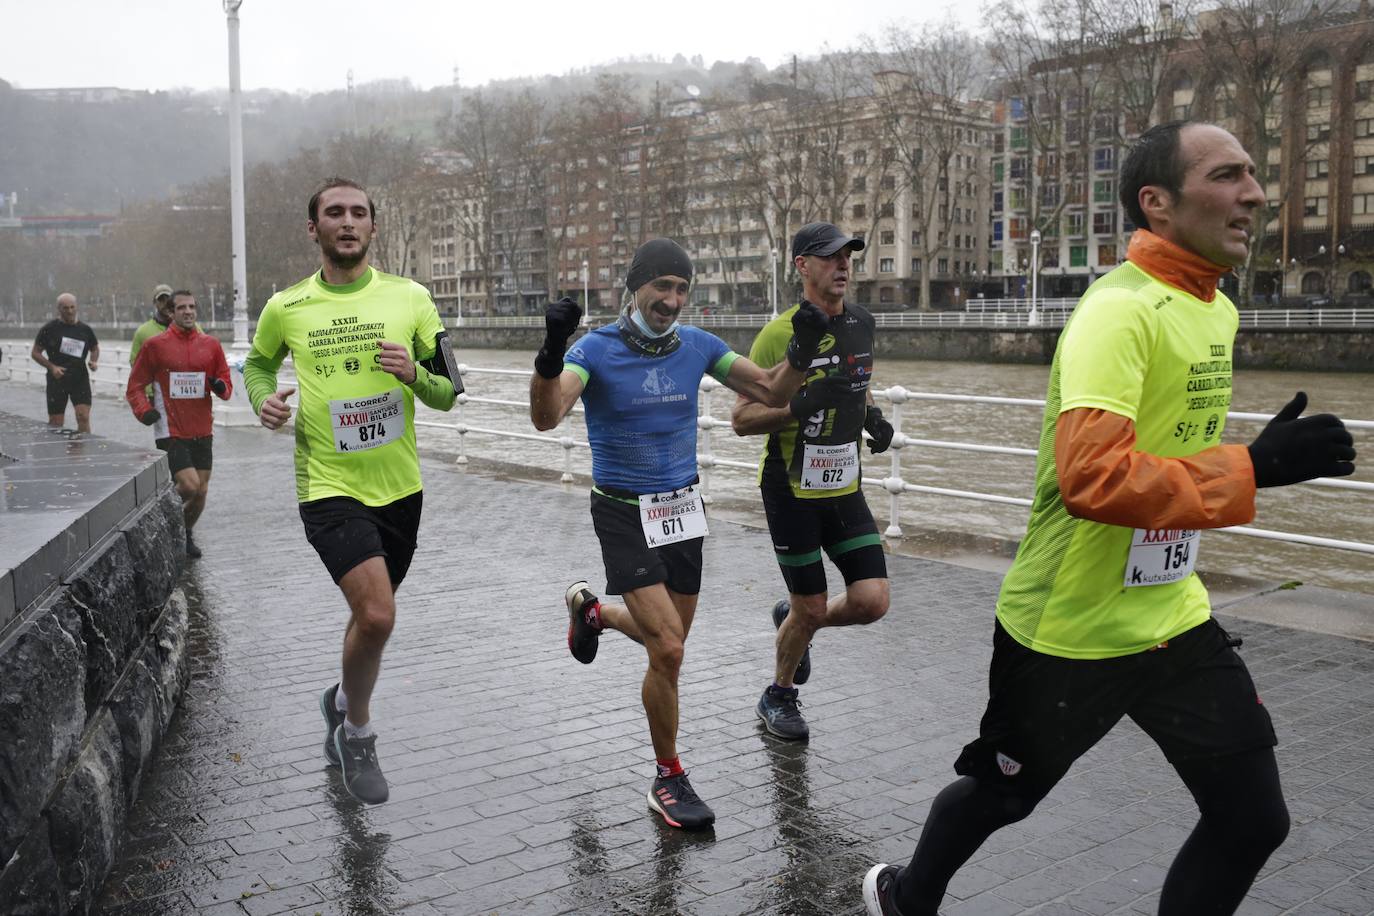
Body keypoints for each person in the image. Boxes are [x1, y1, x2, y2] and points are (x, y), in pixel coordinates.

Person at [862, 122, 1357, 915]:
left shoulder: (1214, 308)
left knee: (1252, 819)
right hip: (1068, 628)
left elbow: (1163, 447)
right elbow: (1093, 476)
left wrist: (1246, 454)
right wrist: (1254, 467)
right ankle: (907, 894)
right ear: (1157, 203)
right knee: (1002, 796)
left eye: (1253, 175)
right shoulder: (1117, 311)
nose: (1256, 194)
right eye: (1228, 176)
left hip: (1170, 616)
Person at [529, 237, 828, 829]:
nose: (671, 299)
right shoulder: (596, 348)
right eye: (660, 286)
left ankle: (591, 613)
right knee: (667, 649)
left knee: (667, 644)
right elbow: (546, 416)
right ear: (635, 287)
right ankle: (668, 777)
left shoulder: (697, 346)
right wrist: (549, 352)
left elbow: (770, 388)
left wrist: (800, 348)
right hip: (621, 510)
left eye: (681, 288)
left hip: (682, 510)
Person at [243, 177, 460, 806]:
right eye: (333, 213)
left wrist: (414, 373)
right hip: (327, 486)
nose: (346, 222)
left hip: (400, 489)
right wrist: (264, 400)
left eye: (358, 213)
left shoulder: (411, 297)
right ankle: (357, 734)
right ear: (313, 228)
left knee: (367, 620)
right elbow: (257, 365)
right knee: (377, 614)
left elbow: (448, 393)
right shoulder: (287, 306)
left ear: (373, 227)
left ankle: (338, 699)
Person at [731, 222, 895, 742]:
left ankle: (796, 621)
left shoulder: (863, 323)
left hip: (844, 487)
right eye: (830, 257)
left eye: (848, 256)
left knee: (872, 601)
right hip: (791, 490)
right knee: (812, 605)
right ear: (802, 265)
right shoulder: (780, 334)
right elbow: (740, 420)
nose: (843, 265)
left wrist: (874, 418)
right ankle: (778, 695)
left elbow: (858, 382)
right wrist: (800, 406)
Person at [126, 291, 232, 559]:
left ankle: (182, 534)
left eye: (192, 307)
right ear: (170, 313)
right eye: (181, 307)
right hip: (170, 429)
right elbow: (135, 386)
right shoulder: (155, 346)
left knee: (201, 492)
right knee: (189, 486)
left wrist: (220, 387)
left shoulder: (211, 345)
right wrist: (144, 411)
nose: (188, 311)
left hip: (202, 429)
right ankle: (156, 518)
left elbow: (226, 384)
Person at [31, 293, 100, 432]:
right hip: (57, 379)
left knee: (83, 416)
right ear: (59, 309)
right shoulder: (49, 329)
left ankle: (83, 448)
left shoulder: (85, 329)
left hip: (79, 378)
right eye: (65, 308)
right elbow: (35, 353)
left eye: (72, 307)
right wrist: (52, 367)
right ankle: (56, 451)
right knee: (56, 422)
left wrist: (93, 361)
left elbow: (94, 348)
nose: (69, 311)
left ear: (76, 308)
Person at [130, 284, 176, 367]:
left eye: (168, 299)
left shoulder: (191, 327)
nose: (165, 303)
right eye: (161, 300)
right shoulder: (142, 332)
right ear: (154, 302)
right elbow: (134, 362)